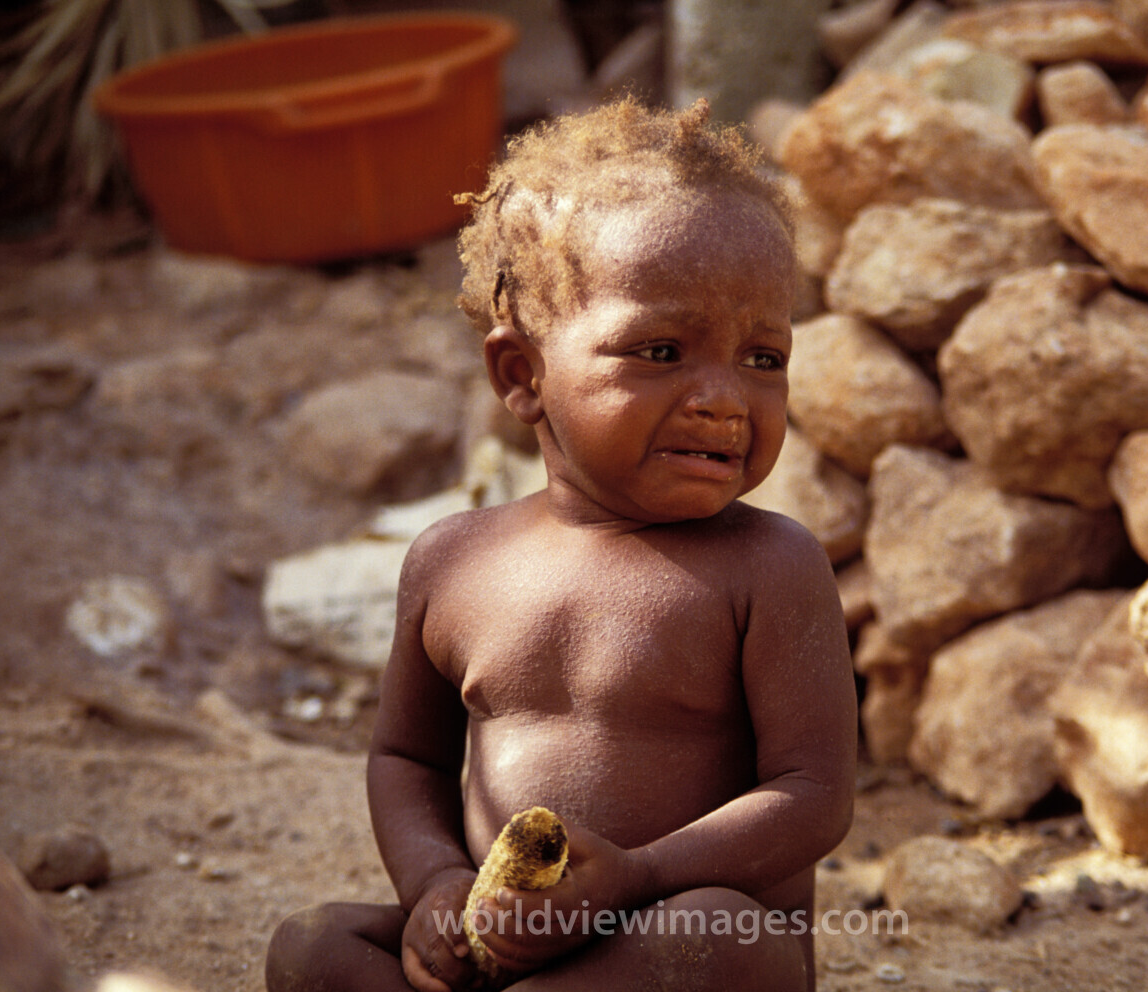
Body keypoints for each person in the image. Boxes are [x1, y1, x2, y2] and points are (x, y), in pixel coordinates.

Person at [265, 97, 858, 992]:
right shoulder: (452, 562)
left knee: (719, 931)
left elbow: (814, 797)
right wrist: (435, 888)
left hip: (679, 939)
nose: (725, 398)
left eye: (762, 358)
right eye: (661, 351)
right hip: (508, 946)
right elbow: (406, 760)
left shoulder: (770, 567)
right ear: (523, 374)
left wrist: (638, 877)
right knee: (313, 946)